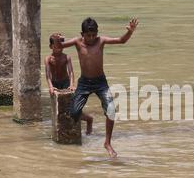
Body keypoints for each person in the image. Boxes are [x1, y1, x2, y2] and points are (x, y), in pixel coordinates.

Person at [56, 17, 139, 157]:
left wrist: (130, 31)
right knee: (74, 113)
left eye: (94, 35)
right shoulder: (77, 42)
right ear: (82, 34)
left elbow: (121, 40)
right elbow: (60, 46)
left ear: (97, 33)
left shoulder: (101, 41)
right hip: (84, 83)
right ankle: (88, 119)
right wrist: (57, 38)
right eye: (88, 35)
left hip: (100, 82)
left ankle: (107, 143)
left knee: (111, 110)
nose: (91, 38)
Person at [45, 33, 93, 135]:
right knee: (59, 109)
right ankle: (62, 130)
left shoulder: (66, 57)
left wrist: (71, 84)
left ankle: (88, 119)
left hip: (65, 82)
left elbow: (71, 72)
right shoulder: (48, 59)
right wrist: (50, 86)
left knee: (72, 107)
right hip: (55, 83)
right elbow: (48, 74)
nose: (59, 48)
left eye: (61, 46)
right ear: (51, 47)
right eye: (56, 46)